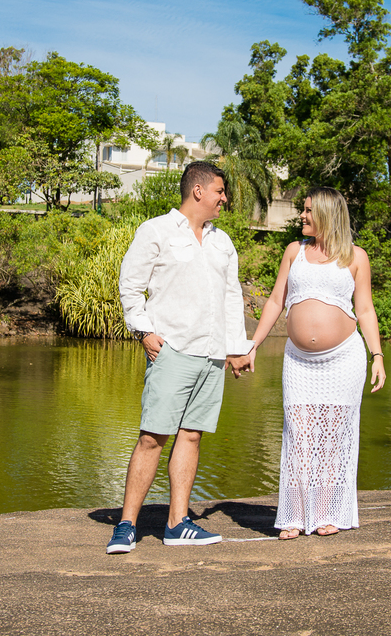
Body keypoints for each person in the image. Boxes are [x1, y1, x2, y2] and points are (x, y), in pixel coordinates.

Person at [106, 161, 255, 554]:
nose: (225, 198)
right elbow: (130, 285)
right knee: (153, 437)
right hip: (173, 351)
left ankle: (177, 523)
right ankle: (125, 525)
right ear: (199, 191)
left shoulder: (222, 241)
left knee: (191, 435)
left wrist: (236, 348)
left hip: (211, 356)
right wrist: (143, 330)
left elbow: (230, 297)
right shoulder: (155, 230)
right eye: (221, 191)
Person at [247, 187, 386, 539]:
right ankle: (294, 514)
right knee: (299, 433)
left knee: (332, 437)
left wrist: (378, 356)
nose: (303, 216)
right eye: (303, 210)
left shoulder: (356, 257)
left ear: (327, 213)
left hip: (344, 360)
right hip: (298, 361)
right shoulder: (295, 251)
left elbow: (366, 310)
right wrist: (253, 345)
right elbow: (277, 300)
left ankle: (325, 513)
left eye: (308, 211)